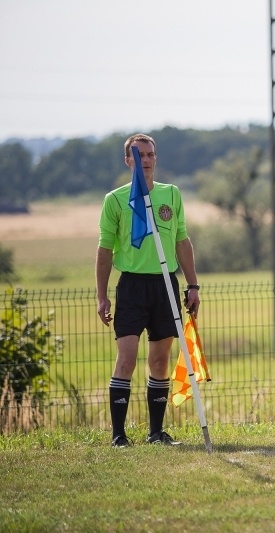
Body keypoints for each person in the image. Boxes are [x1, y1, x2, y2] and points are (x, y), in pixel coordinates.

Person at [95, 133, 200, 448]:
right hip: (131, 286)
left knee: (159, 361)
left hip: (165, 284)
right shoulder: (115, 200)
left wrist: (193, 284)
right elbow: (104, 250)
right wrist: (102, 296)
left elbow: (182, 240)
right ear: (128, 160)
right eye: (139, 155)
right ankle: (118, 436)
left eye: (151, 155)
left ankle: (156, 433)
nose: (147, 160)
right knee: (126, 360)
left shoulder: (172, 195)